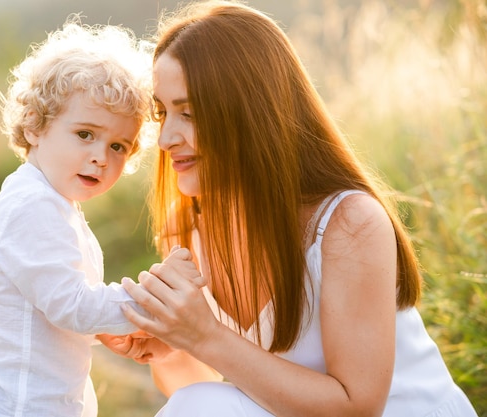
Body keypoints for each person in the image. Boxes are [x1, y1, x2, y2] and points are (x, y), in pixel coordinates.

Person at [98, 1, 479, 416]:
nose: (167, 137)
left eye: (188, 113)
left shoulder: (346, 223)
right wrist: (171, 346)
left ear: (250, 113)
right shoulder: (187, 228)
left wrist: (206, 336)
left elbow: (358, 407)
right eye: (162, 112)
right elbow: (205, 392)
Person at [0, 18, 200, 417]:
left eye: (118, 145)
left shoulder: (55, 204)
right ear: (35, 124)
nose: (101, 156)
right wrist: (155, 302)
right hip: (15, 407)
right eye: (85, 134)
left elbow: (57, 308)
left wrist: (115, 327)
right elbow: (73, 306)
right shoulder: (30, 206)